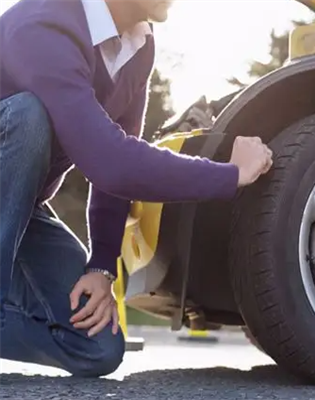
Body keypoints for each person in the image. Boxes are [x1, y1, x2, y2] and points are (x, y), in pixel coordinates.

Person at [0, 0, 272, 377]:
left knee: (96, 347)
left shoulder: (139, 45)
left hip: (22, 210)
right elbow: (111, 162)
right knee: (27, 118)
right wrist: (230, 174)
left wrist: (102, 266)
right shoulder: (43, 26)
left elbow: (120, 154)